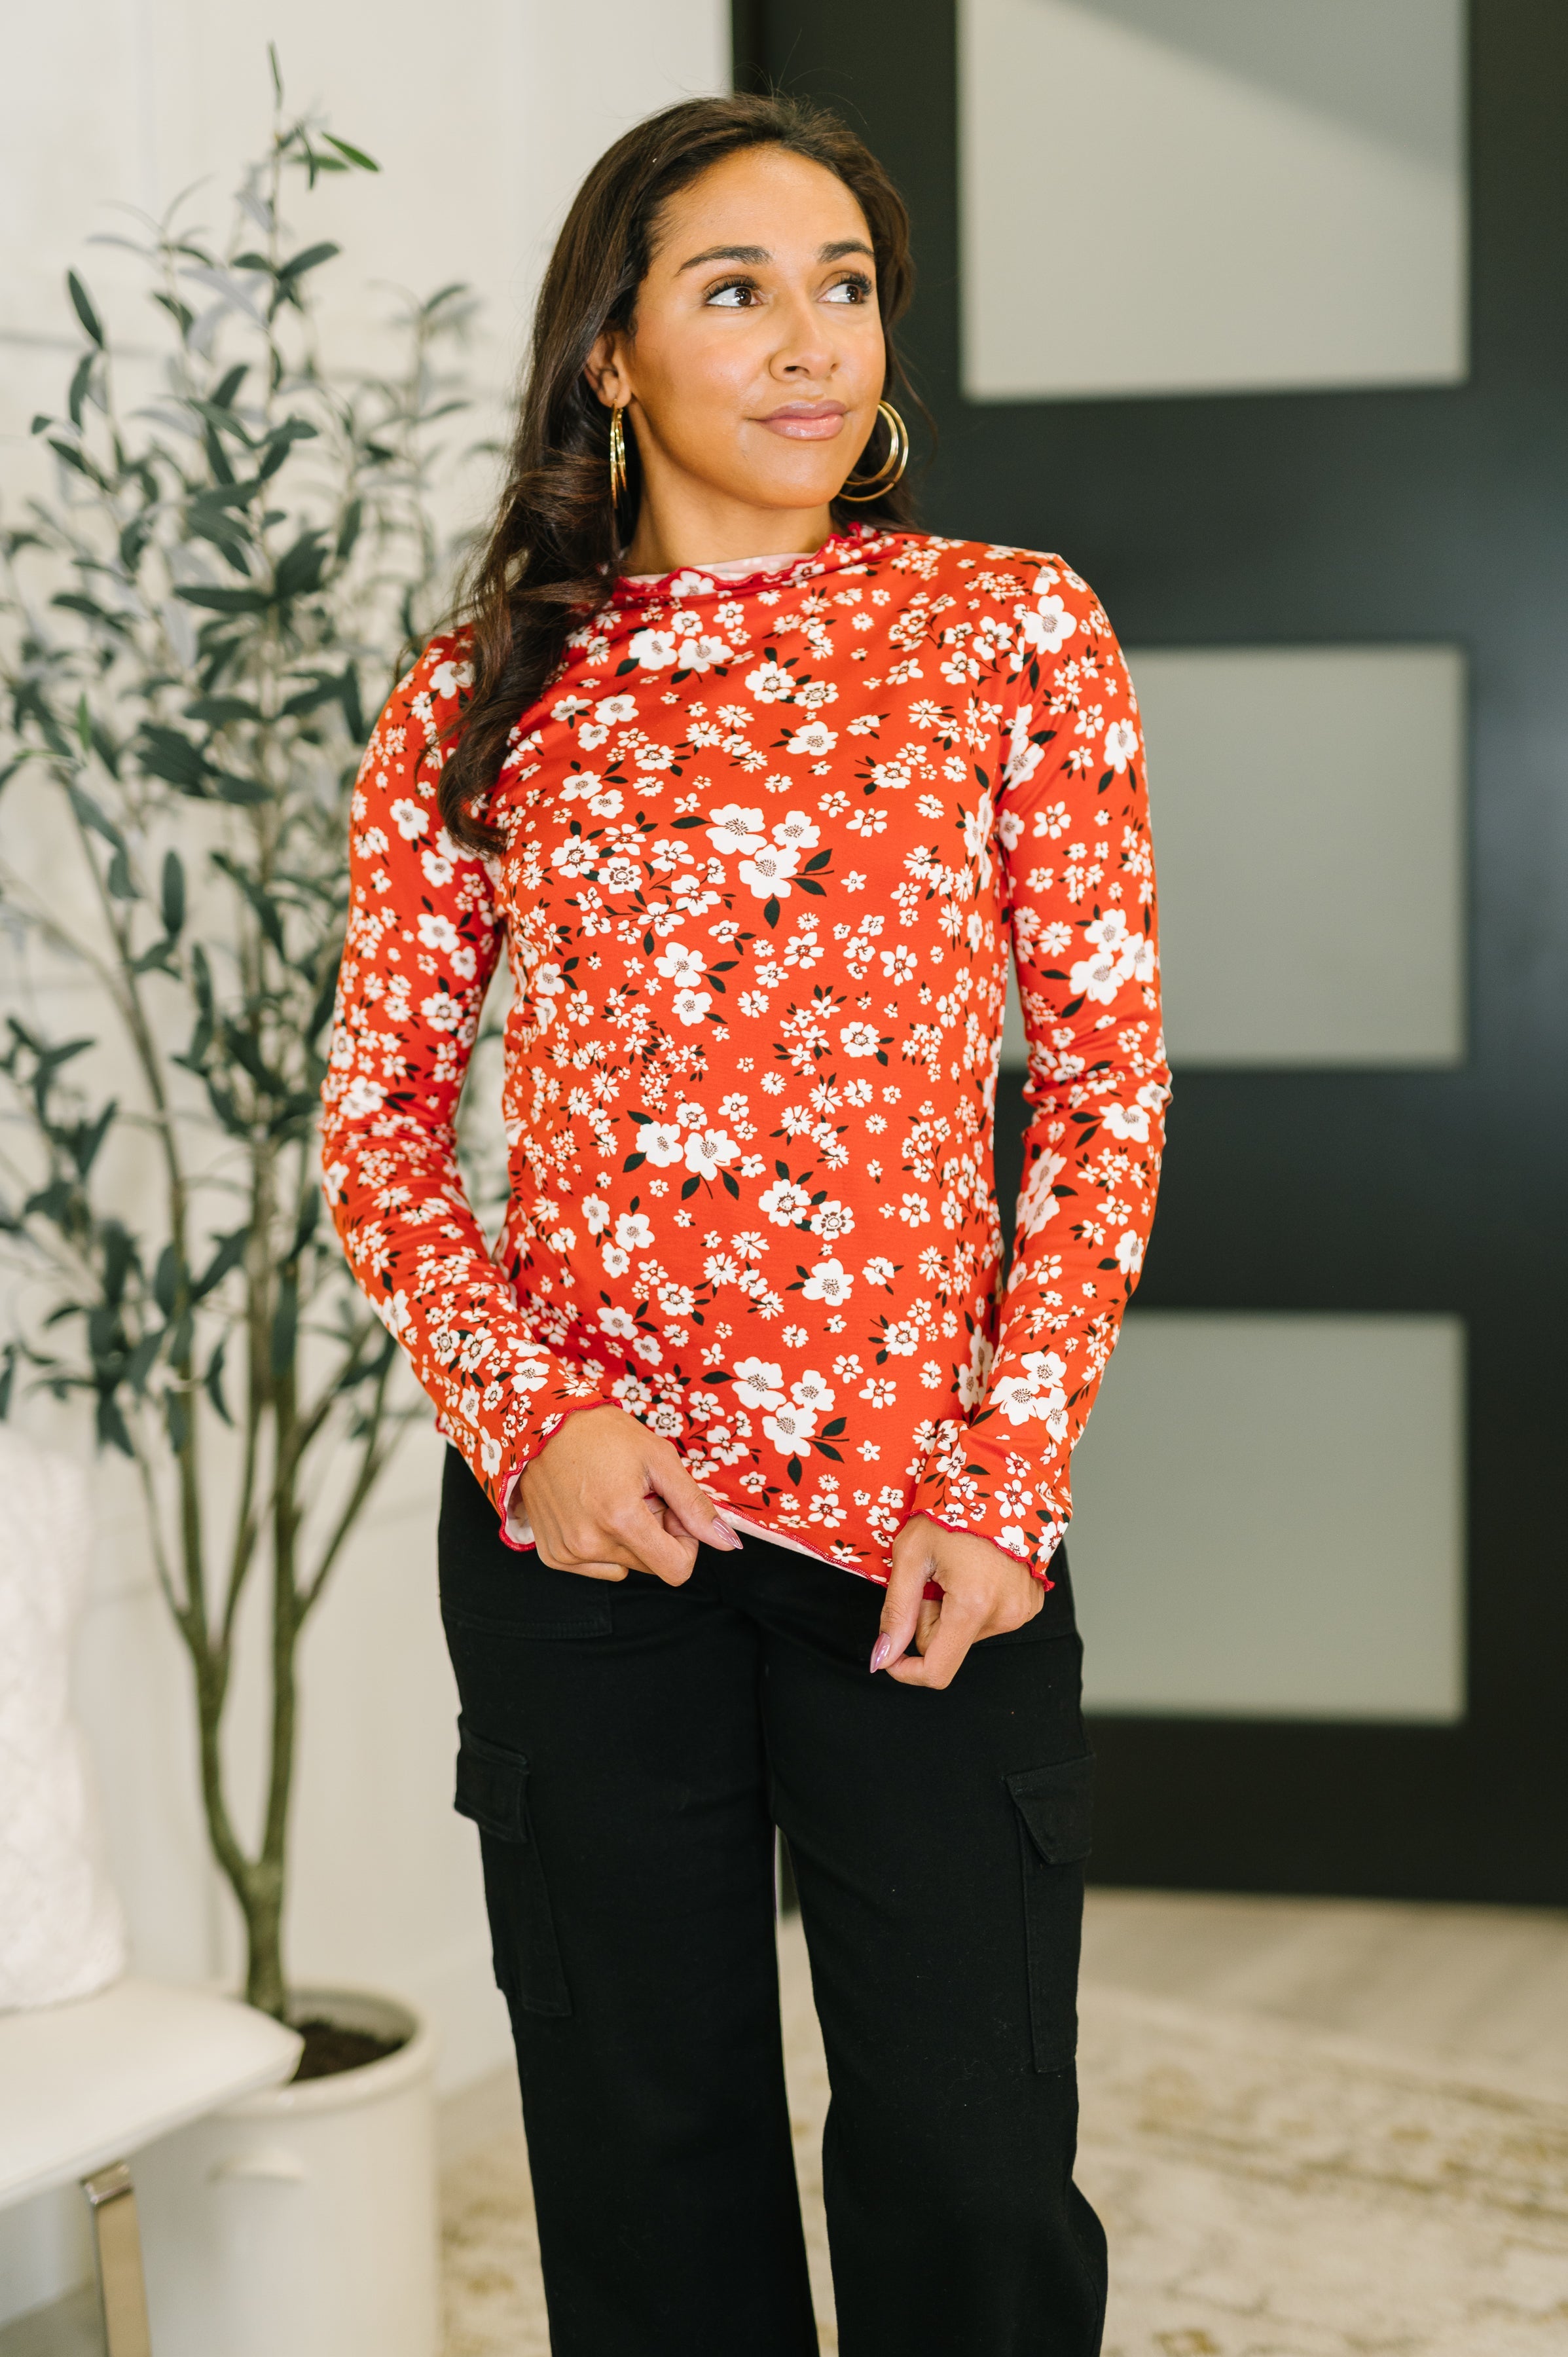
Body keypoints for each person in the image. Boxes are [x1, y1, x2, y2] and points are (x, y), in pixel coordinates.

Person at [322, 90, 1167, 2357]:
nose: (810, 342)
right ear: (613, 351)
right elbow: (382, 1124)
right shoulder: (480, 698)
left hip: (928, 1543)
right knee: (645, 2160)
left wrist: (1004, 1484)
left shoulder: (1009, 638)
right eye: (735, 288)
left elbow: (1097, 1098)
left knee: (971, 2171)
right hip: (592, 1546)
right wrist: (534, 1432)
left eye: (846, 286)